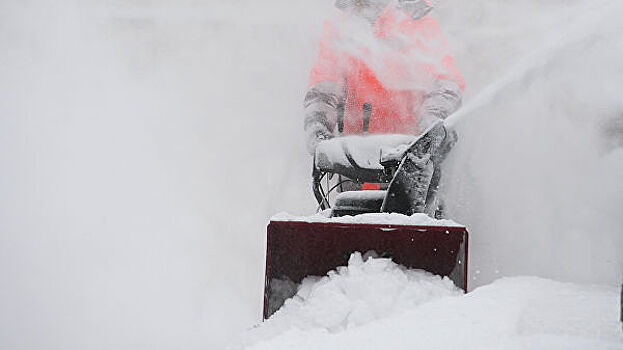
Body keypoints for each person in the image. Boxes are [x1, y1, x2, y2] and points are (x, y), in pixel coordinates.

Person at [304, 0, 465, 155]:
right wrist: (318, 124)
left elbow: (444, 82)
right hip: (352, 159)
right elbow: (325, 83)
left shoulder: (416, 19)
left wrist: (433, 121)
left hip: (411, 156)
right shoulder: (340, 24)